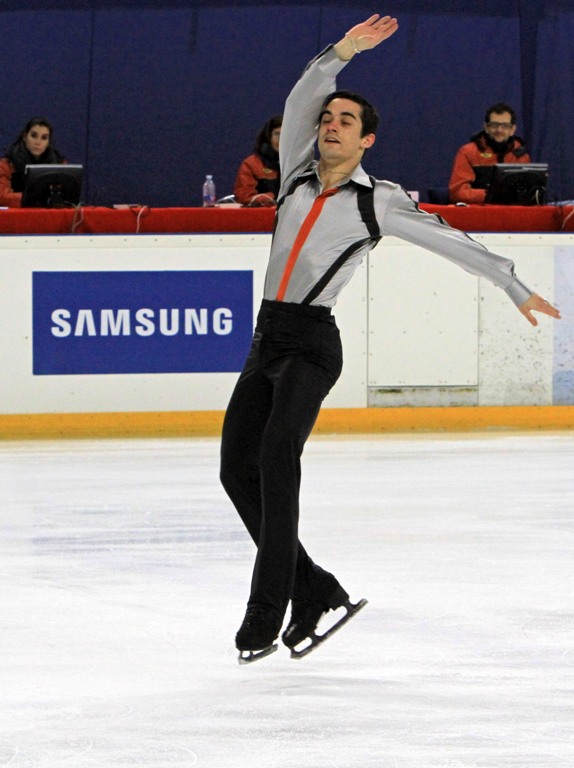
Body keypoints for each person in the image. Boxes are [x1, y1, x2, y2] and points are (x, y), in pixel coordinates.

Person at [220, 14, 561, 664]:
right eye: (329, 118)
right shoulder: (293, 172)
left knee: (274, 460)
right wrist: (343, 52)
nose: (330, 124)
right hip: (266, 339)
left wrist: (512, 283)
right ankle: (314, 588)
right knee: (235, 468)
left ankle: (267, 612)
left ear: (367, 139)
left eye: (345, 120)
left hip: (313, 346)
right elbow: (301, 96)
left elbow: (449, 238)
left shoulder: (378, 201)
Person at [448, 103, 531, 204]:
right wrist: (492, 195)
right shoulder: (468, 152)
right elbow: (457, 193)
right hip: (477, 214)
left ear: (512, 130)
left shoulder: (521, 155)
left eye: (505, 126)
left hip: (512, 215)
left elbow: (528, 194)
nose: (499, 130)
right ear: (486, 128)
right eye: (494, 125)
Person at [0, 117, 66, 207]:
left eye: (44, 138)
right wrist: (35, 197)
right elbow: (2, 197)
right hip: (16, 217)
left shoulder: (59, 164)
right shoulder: (7, 164)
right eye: (34, 136)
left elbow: (67, 198)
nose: (38, 142)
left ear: (48, 142)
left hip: (48, 217)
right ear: (24, 137)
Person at [234, 115, 282, 206]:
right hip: (261, 216)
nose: (281, 139)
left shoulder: (303, 164)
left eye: (286, 134)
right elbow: (244, 196)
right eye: (277, 134)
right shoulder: (251, 164)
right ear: (268, 137)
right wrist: (268, 198)